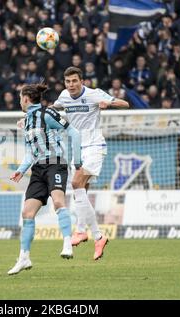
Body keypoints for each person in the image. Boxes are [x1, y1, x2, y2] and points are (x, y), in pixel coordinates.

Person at [52, 67, 129, 260]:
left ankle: (84, 232)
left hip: (94, 144)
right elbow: (55, 107)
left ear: (82, 81)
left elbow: (125, 103)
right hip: (76, 146)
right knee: (80, 191)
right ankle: (96, 235)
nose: (71, 85)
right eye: (68, 81)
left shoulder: (94, 94)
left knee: (76, 183)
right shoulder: (64, 96)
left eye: (74, 81)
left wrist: (108, 103)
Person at [8, 83, 82, 275]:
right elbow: (30, 152)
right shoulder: (27, 122)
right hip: (38, 169)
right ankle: (24, 258)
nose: (19, 101)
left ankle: (67, 243)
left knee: (58, 201)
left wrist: (77, 160)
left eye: (20, 98)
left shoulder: (47, 114)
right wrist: (21, 170)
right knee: (27, 212)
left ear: (25, 99)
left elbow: (73, 132)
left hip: (55, 164)